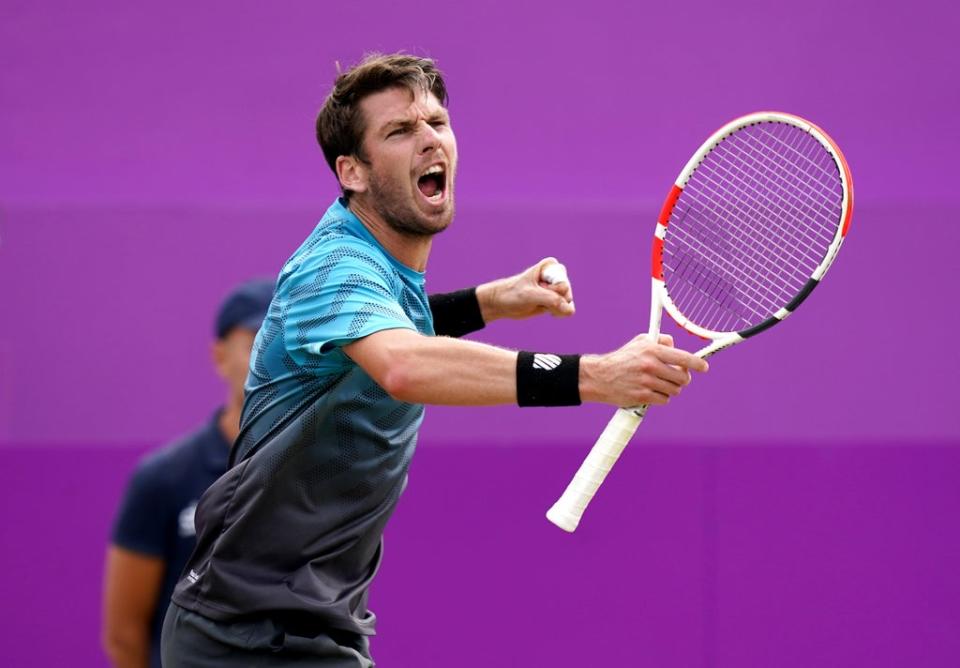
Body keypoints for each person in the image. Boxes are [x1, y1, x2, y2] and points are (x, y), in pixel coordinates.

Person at [162, 54, 708, 667]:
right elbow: (402, 365)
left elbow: (385, 332)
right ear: (354, 172)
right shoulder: (333, 267)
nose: (429, 140)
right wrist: (594, 376)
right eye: (399, 131)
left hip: (302, 623)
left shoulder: (375, 259)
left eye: (437, 122)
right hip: (248, 635)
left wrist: (490, 301)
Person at [102, 278, 274, 668]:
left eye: (283, 342)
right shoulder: (164, 478)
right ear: (219, 356)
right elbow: (124, 634)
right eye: (256, 343)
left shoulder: (319, 471)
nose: (271, 357)